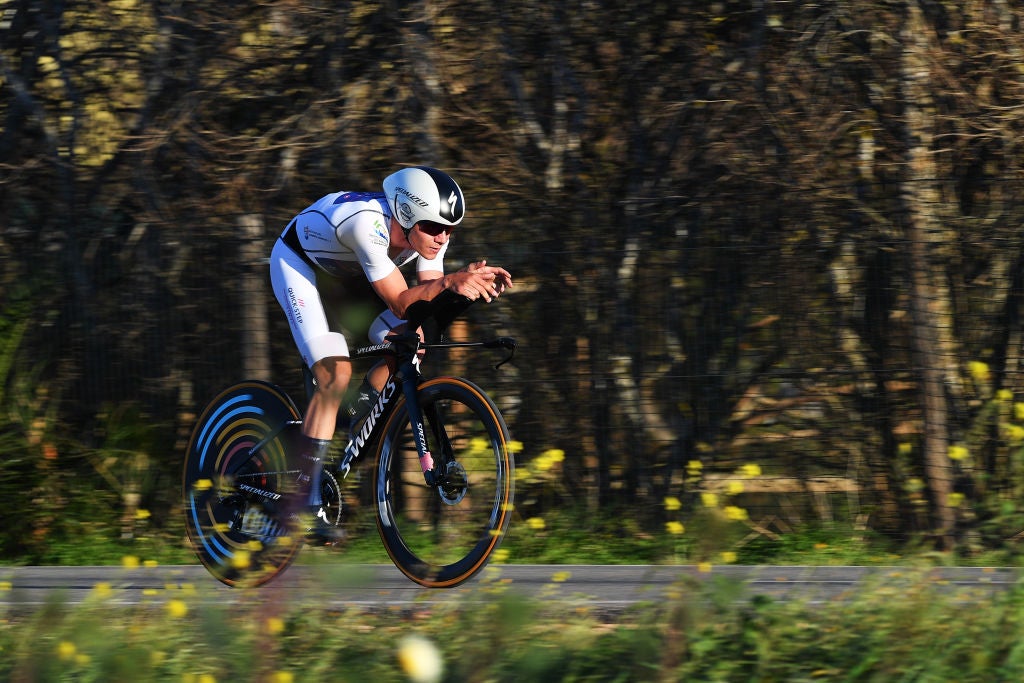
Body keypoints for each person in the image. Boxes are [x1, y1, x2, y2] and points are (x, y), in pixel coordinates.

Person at [269, 166, 512, 542]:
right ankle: (304, 498)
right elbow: (401, 302)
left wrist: (464, 290)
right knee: (336, 374)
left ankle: (357, 412)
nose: (442, 237)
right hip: (302, 268)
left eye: (450, 228)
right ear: (407, 214)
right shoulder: (369, 225)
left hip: (352, 277)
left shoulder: (434, 232)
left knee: (412, 342)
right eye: (433, 227)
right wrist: (452, 281)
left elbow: (425, 303)